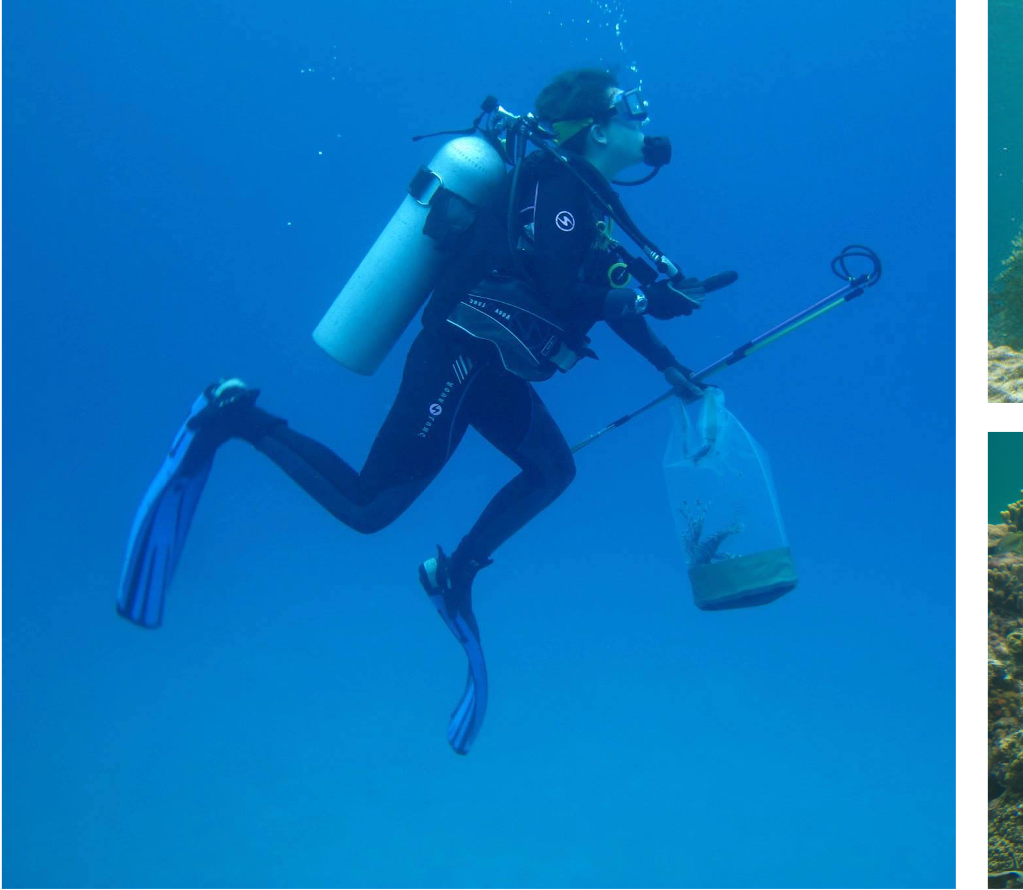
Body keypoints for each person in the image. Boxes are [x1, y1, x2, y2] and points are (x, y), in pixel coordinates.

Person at [119, 68, 720, 754]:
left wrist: (668, 365)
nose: (643, 119)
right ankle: (232, 416)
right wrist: (639, 300)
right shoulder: (558, 187)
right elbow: (565, 289)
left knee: (552, 472)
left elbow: (595, 287)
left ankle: (454, 574)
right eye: (629, 108)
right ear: (597, 128)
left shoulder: (584, 194)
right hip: (461, 357)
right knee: (369, 508)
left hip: (493, 367)